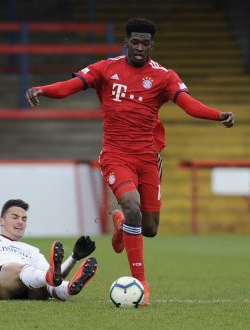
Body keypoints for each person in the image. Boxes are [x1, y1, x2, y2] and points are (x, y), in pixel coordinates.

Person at [26, 17, 235, 305]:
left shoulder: (163, 76)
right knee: (132, 205)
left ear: (152, 45)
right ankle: (141, 283)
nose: (139, 48)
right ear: (126, 42)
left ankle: (122, 224)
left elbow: (188, 104)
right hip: (116, 155)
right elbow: (71, 85)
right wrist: (43, 89)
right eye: (134, 42)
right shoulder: (106, 69)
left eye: (145, 44)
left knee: (149, 228)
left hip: (148, 158)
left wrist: (217, 114)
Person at [0, 199, 97, 300]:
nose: (20, 222)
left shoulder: (32, 250)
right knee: (22, 269)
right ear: (1, 221)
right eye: (15, 217)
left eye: (24, 219)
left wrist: (74, 258)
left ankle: (69, 289)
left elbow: (54, 275)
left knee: (48, 281)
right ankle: (63, 289)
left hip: (27, 286)